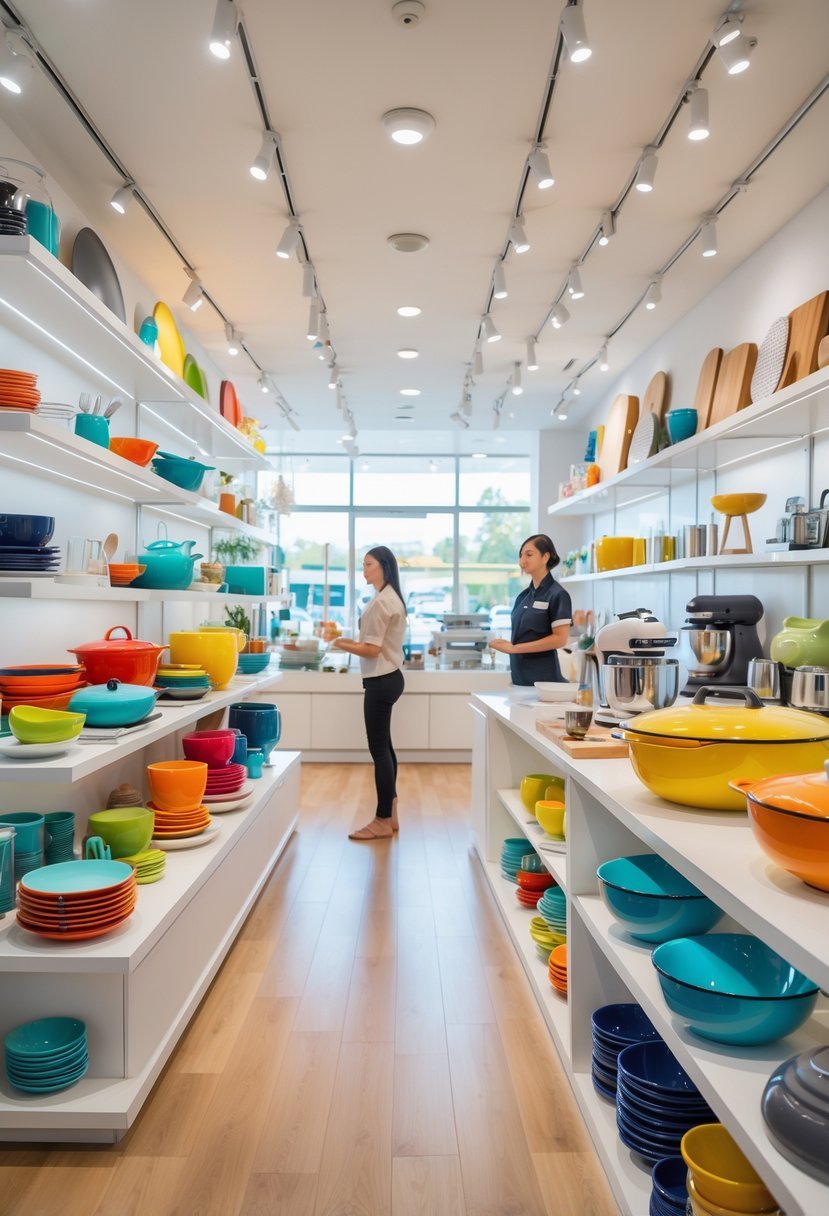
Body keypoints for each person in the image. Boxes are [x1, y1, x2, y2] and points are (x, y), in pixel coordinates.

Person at [331, 545, 407, 839]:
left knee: (379, 750)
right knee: (385, 747)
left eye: (369, 564)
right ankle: (392, 812)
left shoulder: (380, 602)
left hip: (381, 680)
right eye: (363, 565)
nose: (364, 570)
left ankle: (382, 820)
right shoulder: (389, 597)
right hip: (390, 678)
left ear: (384, 567)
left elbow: (372, 649)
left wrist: (340, 642)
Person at [489, 533, 572, 686]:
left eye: (529, 555)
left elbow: (560, 638)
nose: (522, 561)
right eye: (521, 555)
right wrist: (508, 645)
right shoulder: (523, 596)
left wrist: (514, 649)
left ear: (545, 557)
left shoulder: (558, 594)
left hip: (545, 683)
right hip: (520, 680)